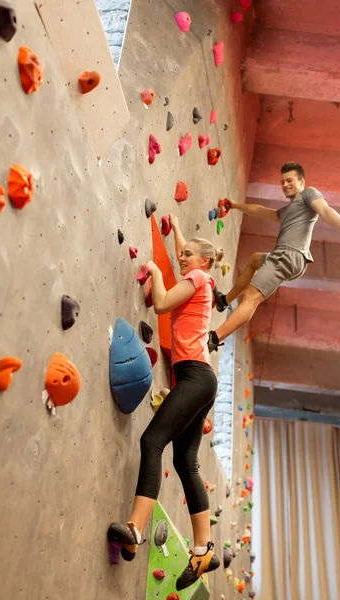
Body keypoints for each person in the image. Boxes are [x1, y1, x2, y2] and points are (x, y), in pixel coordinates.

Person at [108, 214, 224, 591]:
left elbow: (160, 304)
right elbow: (186, 256)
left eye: (188, 256)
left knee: (151, 442)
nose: (182, 259)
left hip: (194, 376)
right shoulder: (200, 277)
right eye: (183, 254)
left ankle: (135, 529)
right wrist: (177, 232)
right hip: (201, 378)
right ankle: (203, 549)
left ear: (203, 263)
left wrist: (157, 271)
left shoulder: (199, 278)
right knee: (184, 460)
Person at [208, 162, 340, 351]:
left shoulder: (308, 194)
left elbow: (324, 209)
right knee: (254, 260)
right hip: (283, 256)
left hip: (290, 256)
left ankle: (214, 339)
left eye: (289, 180)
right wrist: (236, 206)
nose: (285, 185)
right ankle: (223, 301)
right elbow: (261, 211)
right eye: (282, 182)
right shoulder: (287, 211)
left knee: (252, 296)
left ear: (301, 181)